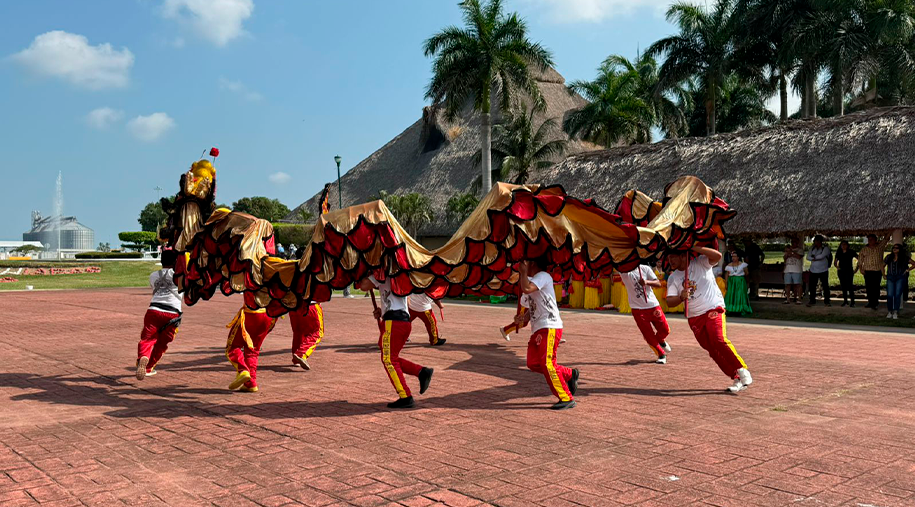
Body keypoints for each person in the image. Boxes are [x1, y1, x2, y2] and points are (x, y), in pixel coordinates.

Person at [666, 245, 753, 393]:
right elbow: (669, 301)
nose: (670, 261)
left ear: (683, 256)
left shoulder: (700, 262)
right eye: (669, 258)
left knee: (718, 339)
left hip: (712, 308)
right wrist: (681, 297)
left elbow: (717, 256)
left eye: (673, 257)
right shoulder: (673, 277)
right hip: (694, 317)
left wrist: (692, 246)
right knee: (712, 349)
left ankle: (742, 369)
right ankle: (736, 377)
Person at [356, 274, 434, 409]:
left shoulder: (382, 272)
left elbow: (364, 286)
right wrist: (383, 311)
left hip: (394, 322)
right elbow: (401, 302)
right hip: (401, 321)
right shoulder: (400, 274)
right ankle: (421, 372)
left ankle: (405, 396)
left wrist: (363, 273)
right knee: (391, 357)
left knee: (389, 360)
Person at [511, 257, 578, 409]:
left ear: (532, 263)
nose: (522, 265)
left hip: (549, 326)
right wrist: (521, 318)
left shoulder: (543, 276)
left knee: (548, 364)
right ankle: (569, 374)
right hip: (538, 328)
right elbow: (531, 309)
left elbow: (527, 289)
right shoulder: (530, 281)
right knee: (533, 363)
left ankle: (566, 397)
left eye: (525, 263)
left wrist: (522, 273)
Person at [136, 249, 182, 380]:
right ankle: (149, 367)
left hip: (154, 310)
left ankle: (143, 356)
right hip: (172, 313)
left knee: (147, 338)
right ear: (175, 261)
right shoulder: (178, 275)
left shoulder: (153, 276)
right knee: (162, 343)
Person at [225, 292, 278, 392]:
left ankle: (243, 370)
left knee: (232, 347)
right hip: (269, 315)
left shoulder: (249, 280)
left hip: (252, 314)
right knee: (253, 350)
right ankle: (250, 383)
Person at [619, 263, 671, 364]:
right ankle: (661, 354)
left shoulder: (645, 268)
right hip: (638, 309)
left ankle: (660, 339)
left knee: (665, 330)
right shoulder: (624, 272)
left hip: (653, 305)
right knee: (648, 335)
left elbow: (658, 283)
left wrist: (647, 282)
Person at [858, 234, 890, 310]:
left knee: (876, 287)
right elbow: (860, 260)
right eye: (869, 239)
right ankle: (870, 302)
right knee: (869, 287)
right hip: (867, 271)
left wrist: (889, 232)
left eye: (872, 239)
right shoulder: (864, 249)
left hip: (877, 271)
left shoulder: (880, 247)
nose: (870, 241)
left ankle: (875, 302)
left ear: (875, 240)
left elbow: (886, 238)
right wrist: (861, 269)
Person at [884, 244, 915, 319]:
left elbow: (914, 264)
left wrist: (907, 270)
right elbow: (882, 265)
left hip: (900, 277)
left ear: (900, 249)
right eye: (893, 248)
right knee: (890, 295)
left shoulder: (904, 258)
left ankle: (895, 311)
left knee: (897, 295)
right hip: (890, 277)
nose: (895, 249)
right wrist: (883, 274)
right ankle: (890, 311)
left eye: (897, 248)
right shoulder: (889, 257)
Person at [289, 303, 324, 370]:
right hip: (310, 305)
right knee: (317, 333)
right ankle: (301, 354)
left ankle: (297, 359)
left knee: (298, 332)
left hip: (293, 306)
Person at [806, 235, 832, 307]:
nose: (815, 242)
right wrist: (814, 258)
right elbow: (807, 257)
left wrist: (813, 258)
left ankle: (827, 301)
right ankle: (812, 300)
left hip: (823, 270)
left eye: (816, 241)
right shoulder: (812, 248)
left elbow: (822, 256)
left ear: (820, 241)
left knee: (825, 286)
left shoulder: (825, 248)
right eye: (814, 241)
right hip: (813, 270)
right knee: (812, 286)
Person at [834, 240, 858, 307]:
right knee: (843, 286)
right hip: (841, 271)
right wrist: (837, 267)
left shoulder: (851, 252)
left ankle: (852, 302)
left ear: (847, 245)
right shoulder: (839, 252)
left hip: (849, 271)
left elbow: (859, 259)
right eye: (842, 245)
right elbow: (835, 262)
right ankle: (845, 301)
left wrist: (856, 268)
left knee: (850, 286)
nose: (843, 246)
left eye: (844, 244)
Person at [783, 237, 804, 305]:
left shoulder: (800, 250)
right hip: (788, 269)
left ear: (797, 242)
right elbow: (784, 258)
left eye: (795, 242)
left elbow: (799, 257)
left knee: (798, 285)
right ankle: (788, 299)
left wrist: (791, 252)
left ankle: (799, 299)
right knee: (787, 285)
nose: (793, 243)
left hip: (797, 270)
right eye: (792, 242)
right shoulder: (787, 250)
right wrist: (787, 253)